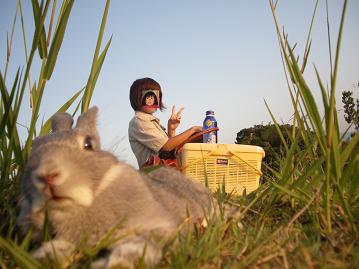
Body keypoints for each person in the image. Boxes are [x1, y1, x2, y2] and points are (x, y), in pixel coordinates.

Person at [128, 77, 202, 168]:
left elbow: (170, 150)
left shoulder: (150, 121)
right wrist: (193, 130)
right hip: (155, 176)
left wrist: (171, 128)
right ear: (138, 98)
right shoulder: (139, 120)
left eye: (157, 96)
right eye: (149, 96)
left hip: (165, 172)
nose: (155, 100)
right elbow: (167, 146)